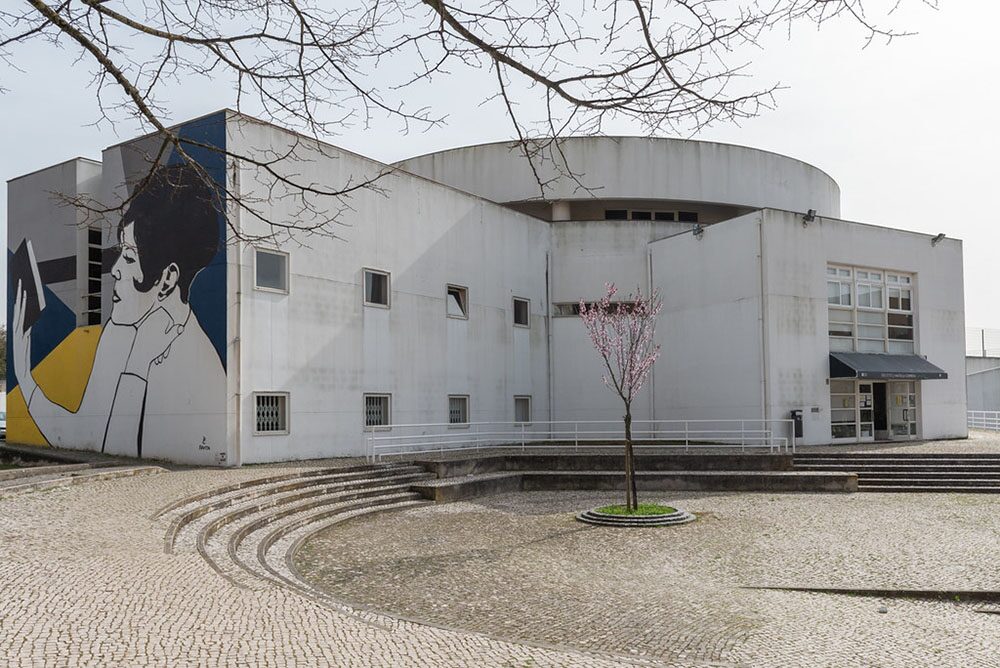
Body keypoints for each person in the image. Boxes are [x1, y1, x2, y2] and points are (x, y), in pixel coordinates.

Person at [12, 164, 226, 461]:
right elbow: (86, 433)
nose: (114, 270)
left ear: (167, 279)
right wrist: (24, 373)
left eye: (128, 256)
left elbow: (127, 452)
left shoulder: (197, 364)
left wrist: (136, 368)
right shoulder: (118, 330)